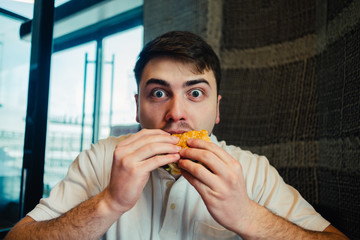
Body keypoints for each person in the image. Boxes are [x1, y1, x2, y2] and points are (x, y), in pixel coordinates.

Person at [6, 31, 348, 240]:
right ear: (137, 108)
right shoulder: (101, 158)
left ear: (217, 109)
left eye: (195, 93)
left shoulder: (252, 170)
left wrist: (246, 216)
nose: (176, 113)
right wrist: (109, 202)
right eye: (158, 93)